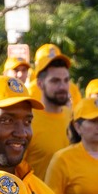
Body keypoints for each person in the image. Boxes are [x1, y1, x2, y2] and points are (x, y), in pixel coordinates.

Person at [25, 48, 75, 180]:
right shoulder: (27, 122)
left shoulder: (72, 117)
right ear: (40, 84)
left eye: (66, 80)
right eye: (55, 81)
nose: (63, 87)